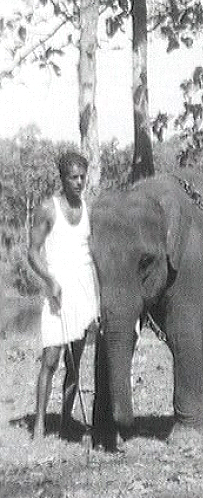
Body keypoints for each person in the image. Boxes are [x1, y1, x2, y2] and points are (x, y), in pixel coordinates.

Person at [28, 151, 99, 440]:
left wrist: (97, 297)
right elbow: (32, 252)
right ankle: (40, 424)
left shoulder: (88, 210)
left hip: (83, 294)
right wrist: (49, 280)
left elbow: (91, 255)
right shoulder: (49, 208)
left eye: (82, 176)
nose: (79, 182)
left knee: (75, 362)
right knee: (51, 359)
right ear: (63, 178)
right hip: (57, 293)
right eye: (73, 177)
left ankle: (66, 420)